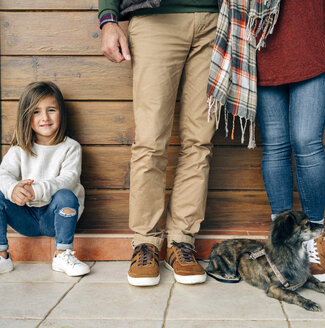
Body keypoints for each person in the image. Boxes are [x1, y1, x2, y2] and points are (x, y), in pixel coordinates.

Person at [98, 0, 219, 286]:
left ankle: (181, 241)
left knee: (200, 140)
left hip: (218, 20)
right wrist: (108, 18)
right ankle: (146, 243)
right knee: (151, 140)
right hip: (155, 20)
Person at [256, 0, 325, 282]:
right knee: (275, 146)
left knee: (307, 142)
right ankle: (282, 242)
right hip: (261, 44)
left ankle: (313, 239)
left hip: (313, 42)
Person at [0, 81, 90, 280]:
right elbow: (2, 176)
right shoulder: (19, 149)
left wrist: (37, 190)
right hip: (25, 218)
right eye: (36, 112)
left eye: (51, 110)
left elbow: (69, 179)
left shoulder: (70, 147)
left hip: (55, 218)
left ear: (61, 113)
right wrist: (14, 188)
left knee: (67, 195)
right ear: (27, 117)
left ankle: (62, 254)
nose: (45, 118)